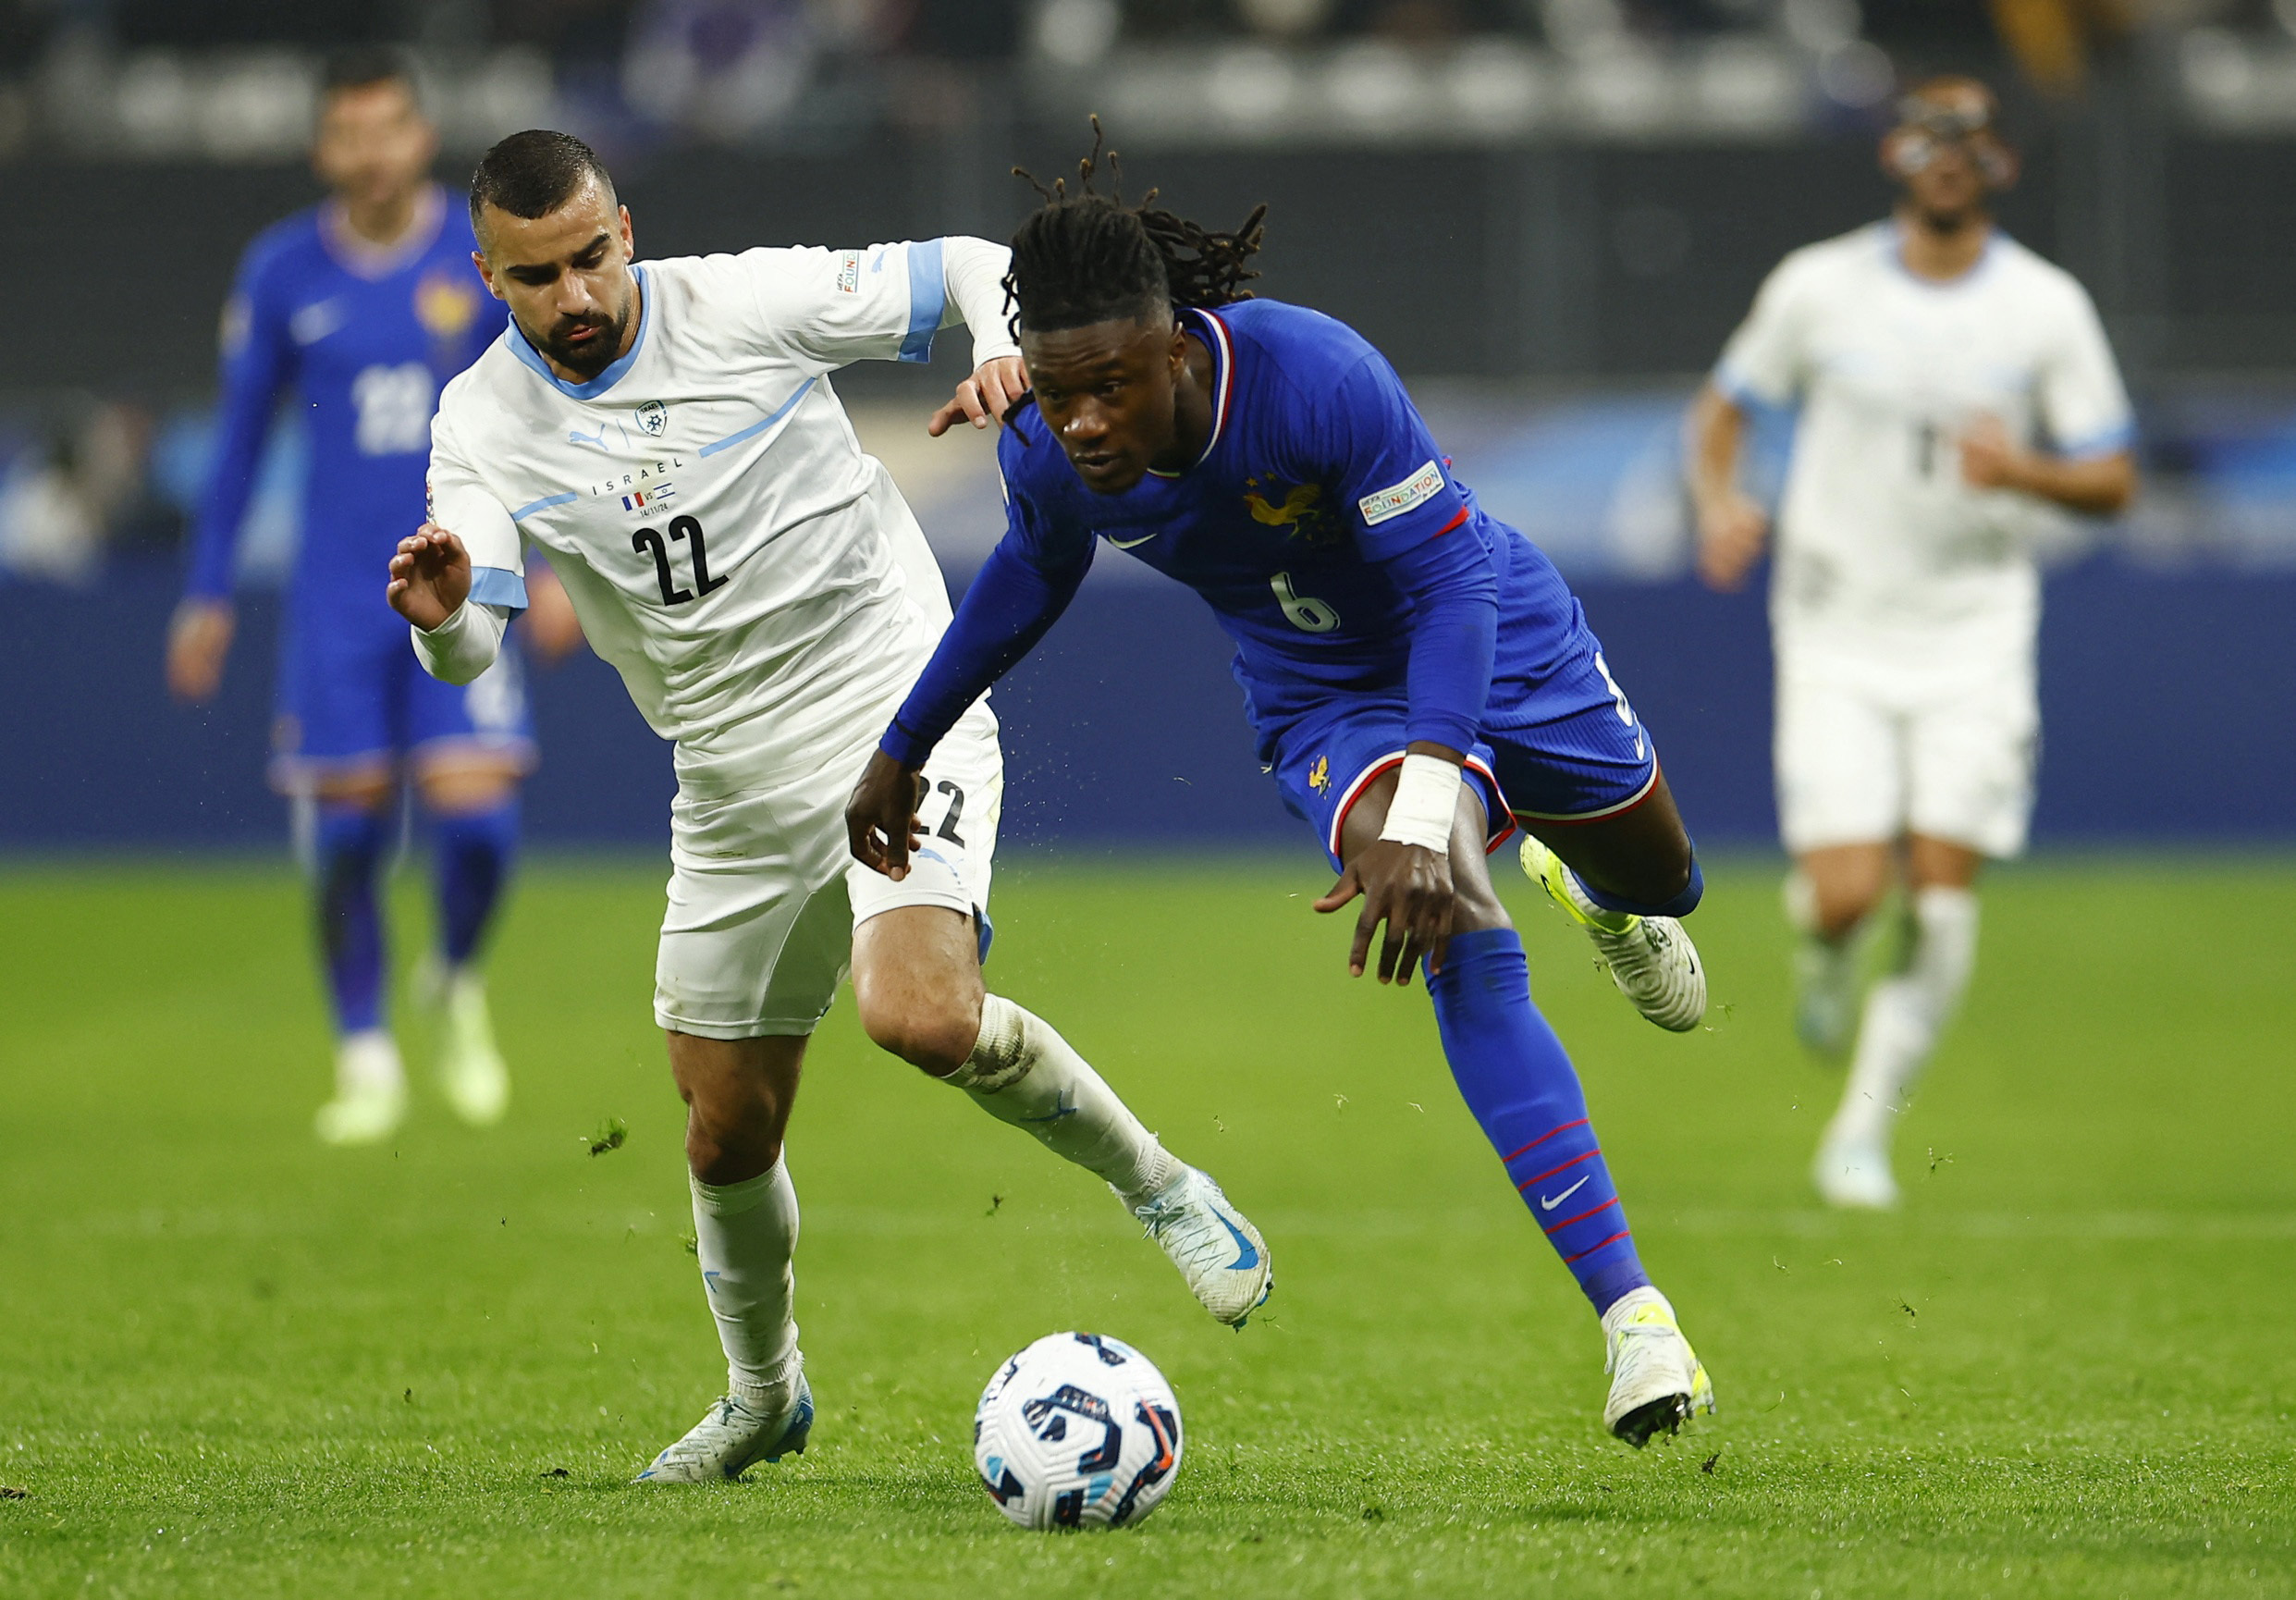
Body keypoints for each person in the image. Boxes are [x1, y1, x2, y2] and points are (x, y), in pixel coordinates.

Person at [386, 129, 1272, 1484]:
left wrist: (996, 340)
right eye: (535, 276)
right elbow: (471, 632)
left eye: (589, 257)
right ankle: (763, 1395)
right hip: (727, 783)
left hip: (890, 708)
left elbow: (976, 266)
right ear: (486, 275)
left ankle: (1160, 1185)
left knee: (916, 1013)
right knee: (723, 1122)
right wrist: (444, 618)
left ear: (624, 229)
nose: (572, 295)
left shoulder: (738, 303)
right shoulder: (480, 420)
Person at [847, 144, 1715, 1446]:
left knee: (1663, 877)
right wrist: (902, 743)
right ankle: (1634, 1319)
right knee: (1454, 935)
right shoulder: (1043, 436)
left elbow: (1444, 591)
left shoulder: (1314, 375)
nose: (1081, 424)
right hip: (1324, 696)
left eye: (1108, 391)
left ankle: (1588, 889)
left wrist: (1436, 806)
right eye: (1061, 394)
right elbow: (1030, 570)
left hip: (1486, 627)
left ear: (1175, 351)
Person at [1686, 78, 2138, 1209]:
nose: (1948, 158)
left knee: (1939, 893)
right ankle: (1825, 946)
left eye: (1971, 141)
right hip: (1836, 622)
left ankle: (1857, 1136)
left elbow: (2111, 474)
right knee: (1846, 893)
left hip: (1974, 628)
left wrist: (2022, 470)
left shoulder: (2043, 307)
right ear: (1894, 154)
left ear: (2001, 165)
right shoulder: (1817, 286)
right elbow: (1726, 403)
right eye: (1931, 138)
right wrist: (1717, 499)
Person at [166, 48, 583, 1147]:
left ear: (417, 135)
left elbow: (543, 410)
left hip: (471, 571)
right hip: (338, 600)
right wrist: (206, 590)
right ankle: (363, 1051)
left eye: (387, 126)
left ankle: (449, 977)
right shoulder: (281, 271)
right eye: (347, 132)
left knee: (480, 822)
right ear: (324, 148)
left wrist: (550, 562)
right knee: (345, 834)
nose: (370, 149)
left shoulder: (481, 252)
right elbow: (244, 437)